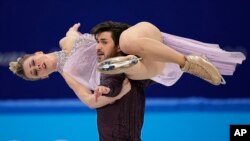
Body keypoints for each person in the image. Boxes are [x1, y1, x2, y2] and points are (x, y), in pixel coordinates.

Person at [9, 21, 246, 98]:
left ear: (38, 54)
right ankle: (124, 63)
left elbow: (69, 37)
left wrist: (72, 33)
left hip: (141, 39)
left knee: (126, 41)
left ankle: (190, 64)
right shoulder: (69, 77)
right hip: (141, 66)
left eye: (33, 64)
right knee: (125, 71)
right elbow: (90, 100)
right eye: (36, 73)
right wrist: (103, 93)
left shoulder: (64, 42)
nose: (37, 67)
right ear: (44, 76)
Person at [91, 23, 153, 140]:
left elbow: (112, 81)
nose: (98, 47)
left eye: (104, 42)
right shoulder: (109, 71)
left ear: (119, 46)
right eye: (97, 42)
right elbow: (111, 83)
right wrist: (105, 88)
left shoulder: (121, 71)